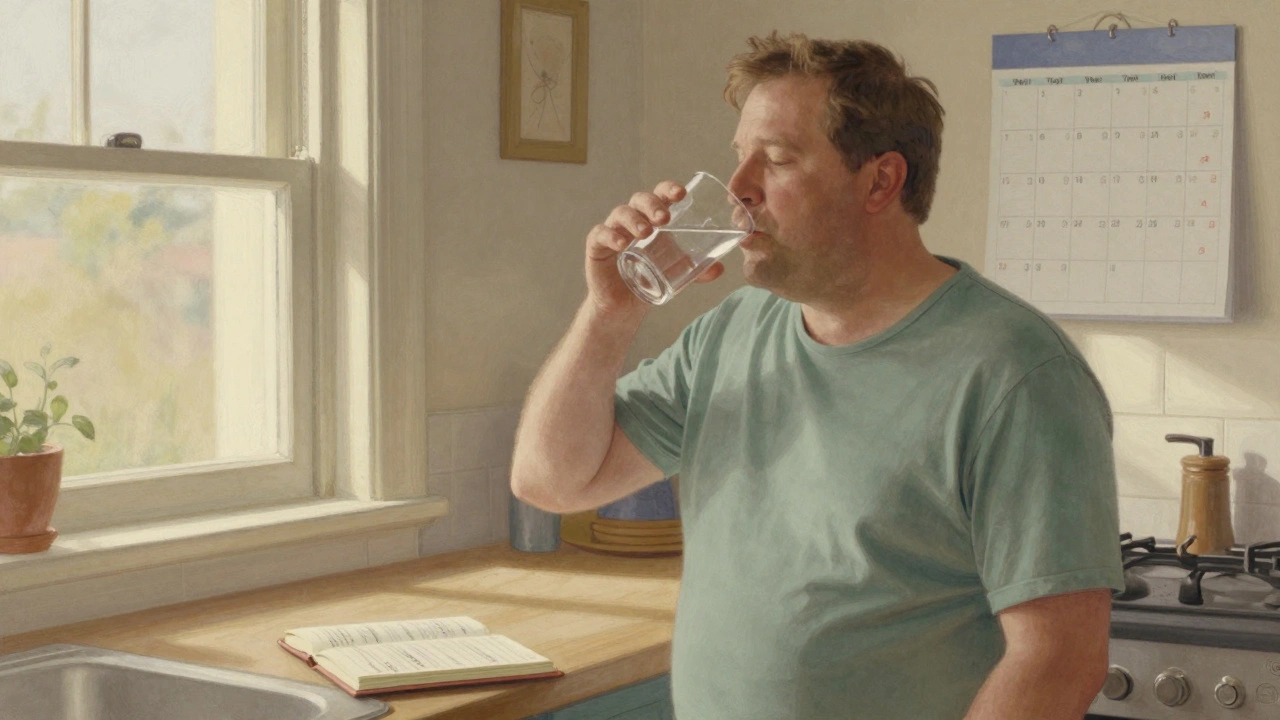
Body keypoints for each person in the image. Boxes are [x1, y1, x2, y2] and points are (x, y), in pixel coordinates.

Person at [511, 31, 1123, 720]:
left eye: (775, 160)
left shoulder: (1017, 373)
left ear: (881, 181)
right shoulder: (732, 332)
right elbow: (552, 481)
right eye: (739, 158)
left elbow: (1058, 659)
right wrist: (608, 314)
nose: (738, 191)